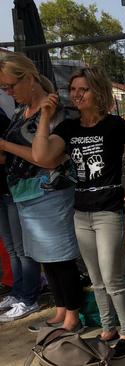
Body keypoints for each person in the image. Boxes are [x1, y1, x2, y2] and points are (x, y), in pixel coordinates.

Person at [30, 66, 125, 357]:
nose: (76, 94)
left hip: (109, 212)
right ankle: (107, 328)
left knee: (112, 277)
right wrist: (44, 119)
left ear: (98, 92)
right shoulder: (69, 128)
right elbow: (42, 157)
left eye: (83, 89)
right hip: (81, 213)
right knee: (96, 278)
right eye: (73, 90)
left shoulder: (115, 125)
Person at [0, 52, 83, 330]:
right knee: (46, 259)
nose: (8, 92)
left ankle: (72, 316)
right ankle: (61, 310)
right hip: (25, 195)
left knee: (60, 258)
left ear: (30, 79)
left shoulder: (55, 111)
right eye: (4, 88)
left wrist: (5, 146)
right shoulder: (18, 111)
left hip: (49, 192)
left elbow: (45, 157)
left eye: (11, 86)